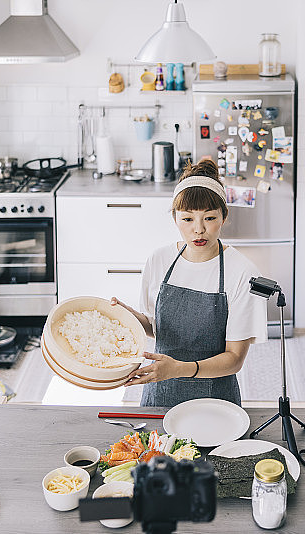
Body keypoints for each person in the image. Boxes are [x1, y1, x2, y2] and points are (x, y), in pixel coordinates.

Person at [110, 159, 268, 407]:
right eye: (187, 219)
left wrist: (179, 369)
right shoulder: (159, 260)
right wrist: (123, 314)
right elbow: (156, 327)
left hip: (216, 401)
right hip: (160, 393)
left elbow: (235, 358)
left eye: (209, 218)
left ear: (224, 216)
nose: (198, 230)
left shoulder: (242, 272)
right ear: (175, 218)